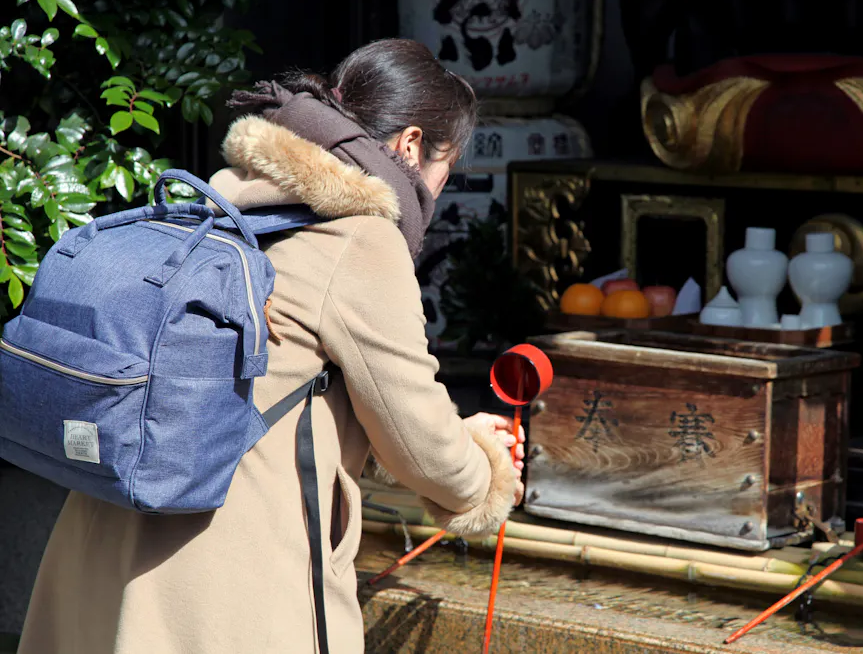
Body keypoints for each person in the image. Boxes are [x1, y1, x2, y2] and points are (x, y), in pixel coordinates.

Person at [17, 39, 524, 654]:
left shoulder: (226, 201)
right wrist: (485, 476)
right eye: (449, 166)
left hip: (95, 558)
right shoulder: (358, 238)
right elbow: (414, 431)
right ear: (411, 146)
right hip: (224, 586)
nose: (440, 190)